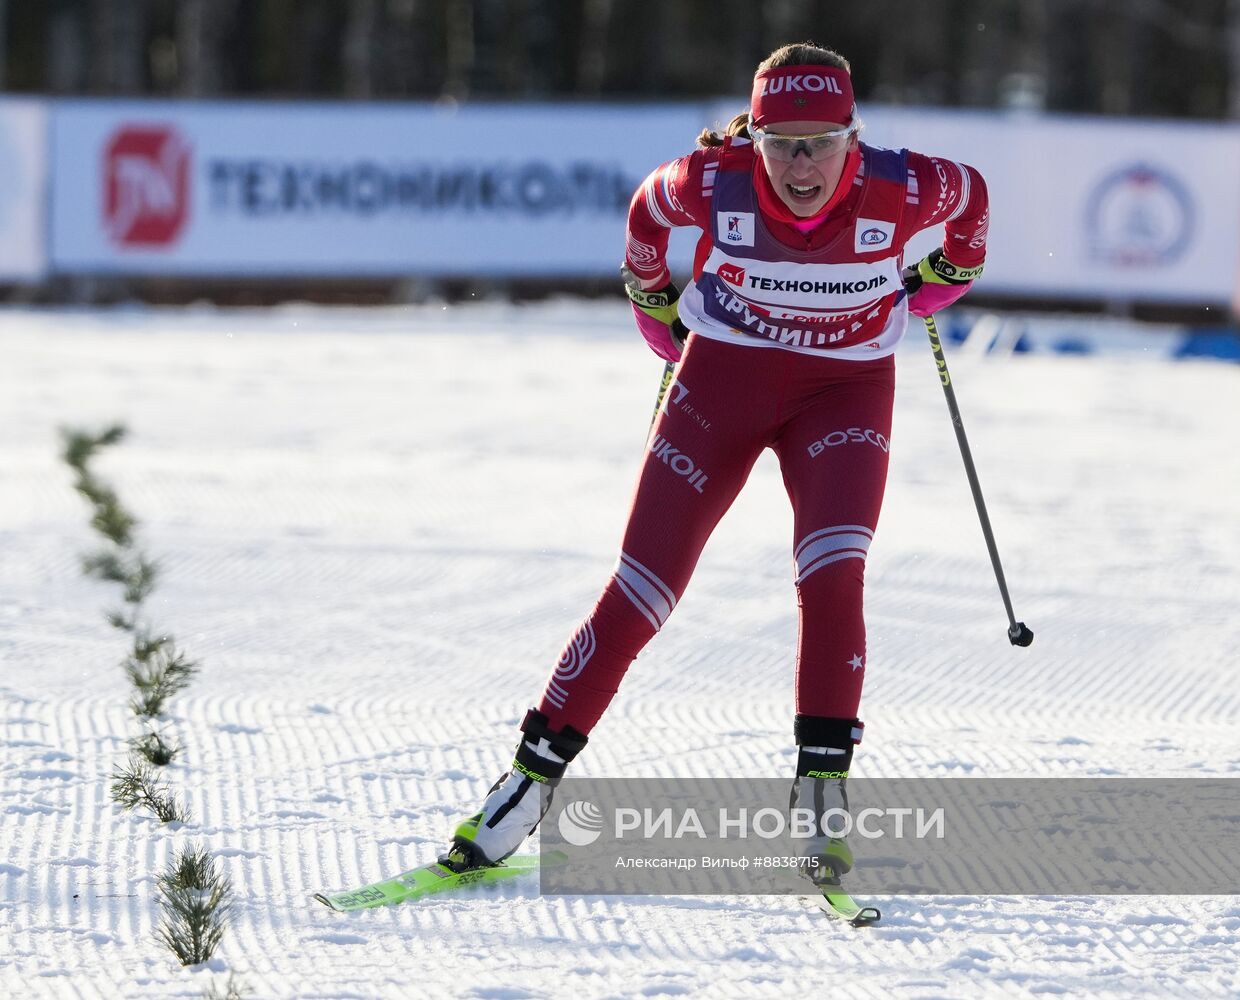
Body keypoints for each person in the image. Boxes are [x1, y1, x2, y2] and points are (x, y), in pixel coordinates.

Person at [441, 42, 989, 884]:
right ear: (754, 136)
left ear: (853, 134)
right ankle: (525, 787)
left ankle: (821, 795)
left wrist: (945, 276)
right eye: (781, 142)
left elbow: (975, 203)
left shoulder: (907, 186)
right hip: (721, 386)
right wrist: (654, 308)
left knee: (834, 574)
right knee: (639, 592)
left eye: (820, 140)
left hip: (843, 396)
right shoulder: (710, 180)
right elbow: (643, 220)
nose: (801, 164)